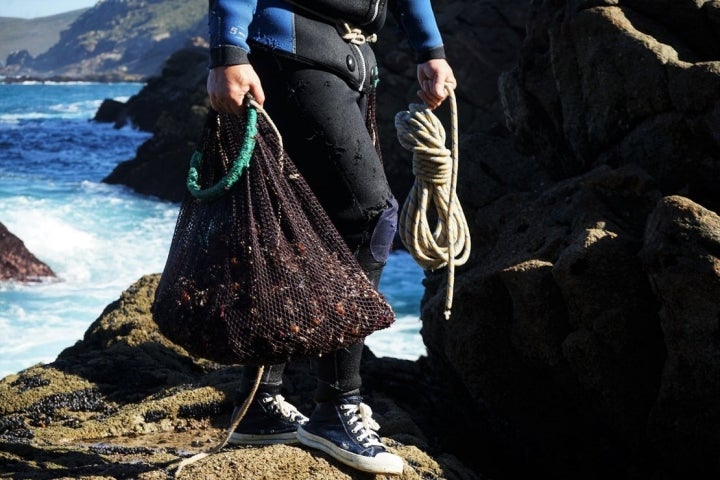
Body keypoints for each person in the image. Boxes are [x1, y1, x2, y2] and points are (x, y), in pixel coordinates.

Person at [206, 0, 456, 475]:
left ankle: (259, 402)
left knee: (300, 221)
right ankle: (336, 407)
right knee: (370, 216)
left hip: (352, 61)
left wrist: (430, 48)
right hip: (292, 52)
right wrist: (227, 54)